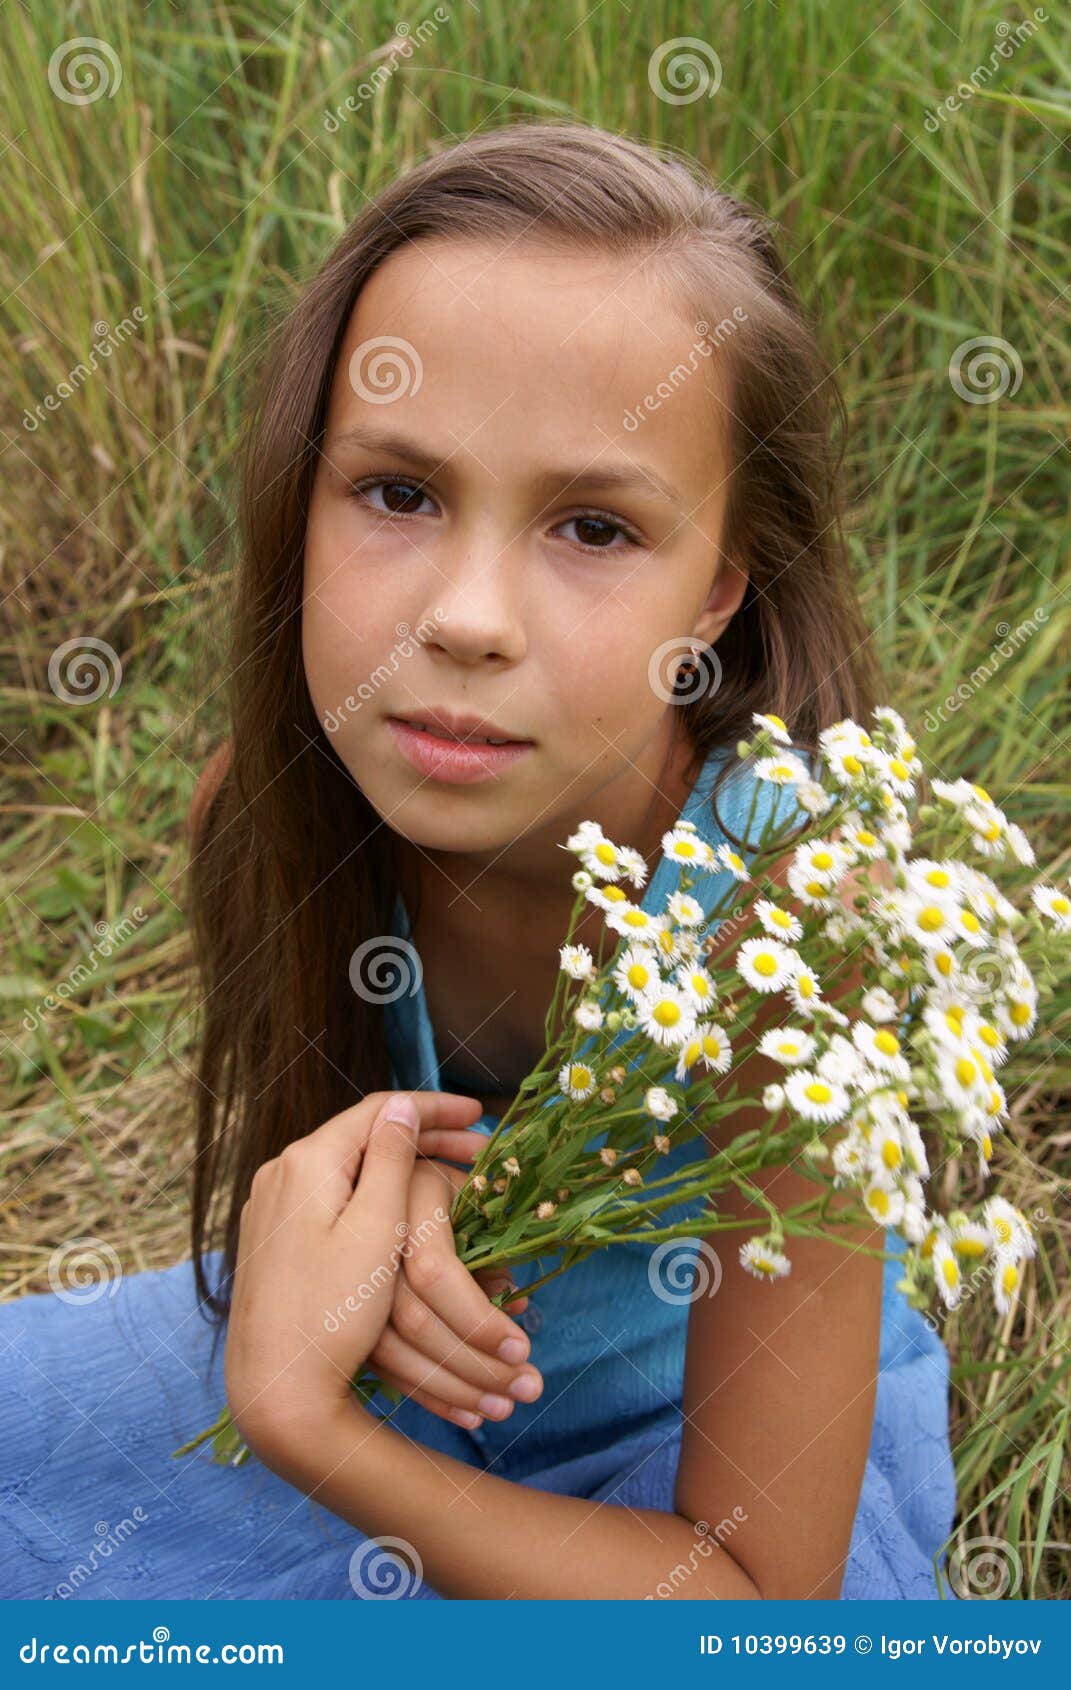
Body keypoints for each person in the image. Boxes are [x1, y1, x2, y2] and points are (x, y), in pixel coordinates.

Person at [0, 120, 957, 1601]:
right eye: (397, 492)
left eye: (591, 524)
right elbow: (316, 1162)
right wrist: (396, 1214)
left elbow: (753, 1594)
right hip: (410, 1381)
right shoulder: (267, 814)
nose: (467, 616)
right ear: (296, 500)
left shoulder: (793, 923)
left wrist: (308, 1426)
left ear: (714, 591)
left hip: (681, 1494)